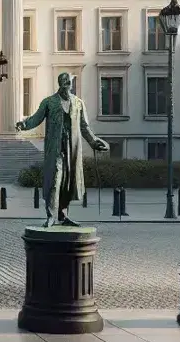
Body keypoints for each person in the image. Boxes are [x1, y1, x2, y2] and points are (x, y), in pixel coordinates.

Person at [16, 71, 110, 228]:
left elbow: (84, 126)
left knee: (68, 182)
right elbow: (36, 118)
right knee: (55, 180)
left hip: (72, 148)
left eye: (69, 84)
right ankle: (51, 215)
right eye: (65, 83)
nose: (67, 87)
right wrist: (23, 124)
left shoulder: (78, 103)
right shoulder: (49, 102)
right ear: (60, 85)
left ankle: (63, 214)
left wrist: (95, 142)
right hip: (56, 148)